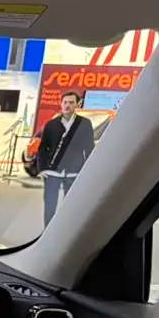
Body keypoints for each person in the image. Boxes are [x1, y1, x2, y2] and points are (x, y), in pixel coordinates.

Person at [35, 90, 95, 224]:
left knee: (71, 206)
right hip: (52, 172)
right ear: (61, 104)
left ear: (78, 104)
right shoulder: (51, 124)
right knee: (49, 205)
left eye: (71, 102)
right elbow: (43, 148)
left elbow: (89, 148)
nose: (67, 105)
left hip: (74, 172)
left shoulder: (84, 123)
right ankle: (48, 231)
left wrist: (88, 171)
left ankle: (66, 230)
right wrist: (42, 169)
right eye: (65, 102)